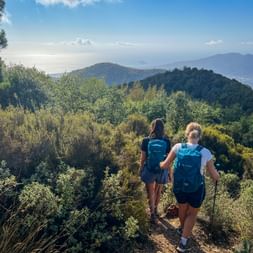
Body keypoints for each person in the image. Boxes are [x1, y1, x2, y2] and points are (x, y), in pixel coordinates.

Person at [160, 122, 219, 252]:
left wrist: (159, 163)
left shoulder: (178, 147)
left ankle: (183, 229)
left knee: (182, 208)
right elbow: (214, 175)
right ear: (199, 136)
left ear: (187, 134)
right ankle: (183, 242)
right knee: (192, 213)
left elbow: (164, 165)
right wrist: (217, 176)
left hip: (179, 186)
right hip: (196, 188)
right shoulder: (205, 152)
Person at [139, 118, 171, 224]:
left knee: (150, 192)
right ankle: (156, 210)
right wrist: (170, 173)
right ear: (163, 129)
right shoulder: (167, 141)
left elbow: (143, 158)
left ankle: (152, 213)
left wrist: (141, 168)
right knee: (158, 190)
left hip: (149, 169)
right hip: (162, 169)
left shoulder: (146, 140)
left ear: (152, 127)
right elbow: (168, 159)